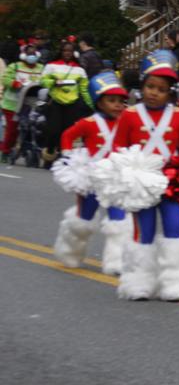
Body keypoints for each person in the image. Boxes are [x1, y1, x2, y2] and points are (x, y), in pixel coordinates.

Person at [113, 50, 179, 302]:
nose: (154, 92)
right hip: (141, 184)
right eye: (150, 86)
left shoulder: (177, 115)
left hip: (172, 182)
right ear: (142, 85)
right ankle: (139, 281)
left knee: (175, 228)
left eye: (161, 89)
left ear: (170, 92)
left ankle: (174, 283)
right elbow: (118, 149)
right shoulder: (129, 115)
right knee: (144, 231)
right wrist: (124, 174)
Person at [52, 72, 130, 274]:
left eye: (121, 101)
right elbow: (67, 136)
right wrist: (69, 158)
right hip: (91, 178)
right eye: (111, 100)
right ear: (100, 103)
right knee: (83, 222)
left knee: (119, 221)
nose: (117, 105)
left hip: (115, 178)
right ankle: (69, 251)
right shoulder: (89, 123)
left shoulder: (126, 122)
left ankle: (116, 262)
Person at [40, 40, 92, 164]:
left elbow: (84, 89)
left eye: (70, 51)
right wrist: (53, 82)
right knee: (53, 131)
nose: (67, 53)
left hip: (72, 104)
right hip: (55, 102)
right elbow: (42, 81)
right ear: (61, 51)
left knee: (67, 133)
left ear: (73, 52)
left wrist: (91, 105)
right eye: (65, 50)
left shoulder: (80, 70)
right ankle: (49, 153)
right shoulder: (51, 65)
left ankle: (63, 157)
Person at [1, 44, 45, 161]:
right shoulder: (14, 66)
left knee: (32, 127)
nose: (32, 56)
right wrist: (15, 83)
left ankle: (27, 148)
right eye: (29, 54)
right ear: (24, 55)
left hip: (32, 103)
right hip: (13, 104)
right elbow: (5, 79)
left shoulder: (41, 68)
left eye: (34, 54)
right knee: (13, 129)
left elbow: (46, 80)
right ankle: (5, 152)